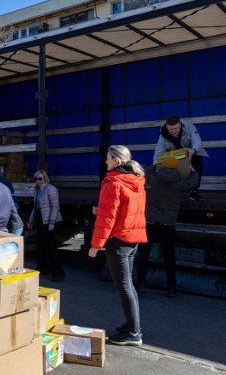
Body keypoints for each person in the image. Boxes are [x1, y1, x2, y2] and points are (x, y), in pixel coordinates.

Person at [88, 145, 147, 346]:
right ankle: (132, 325)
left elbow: (107, 219)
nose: (105, 162)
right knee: (128, 285)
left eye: (107, 158)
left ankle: (133, 333)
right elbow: (125, 211)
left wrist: (95, 245)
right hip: (133, 239)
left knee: (124, 287)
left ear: (115, 161)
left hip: (118, 241)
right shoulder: (136, 181)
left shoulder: (113, 184)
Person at [136, 157, 199, 298]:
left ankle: (140, 284)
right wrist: (193, 171)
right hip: (167, 224)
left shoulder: (152, 179)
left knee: (143, 254)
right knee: (169, 257)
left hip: (149, 223)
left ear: (162, 166)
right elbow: (194, 182)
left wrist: (154, 165)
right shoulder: (179, 183)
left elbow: (141, 172)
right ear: (176, 168)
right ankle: (171, 288)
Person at [153, 116, 208, 201]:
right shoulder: (163, 133)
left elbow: (197, 141)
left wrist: (193, 150)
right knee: (170, 167)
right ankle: (174, 190)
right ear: (167, 128)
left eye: (176, 128)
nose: (174, 131)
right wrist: (156, 165)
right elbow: (159, 151)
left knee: (197, 165)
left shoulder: (190, 127)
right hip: (176, 154)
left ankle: (194, 191)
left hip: (191, 151)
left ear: (180, 125)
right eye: (171, 129)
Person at [27, 170, 64, 281]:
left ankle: (58, 273)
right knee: (41, 246)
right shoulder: (37, 190)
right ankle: (43, 268)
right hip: (40, 220)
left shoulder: (51, 189)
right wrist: (31, 221)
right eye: (36, 179)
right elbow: (35, 207)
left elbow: (55, 207)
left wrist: (51, 222)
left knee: (49, 247)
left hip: (49, 222)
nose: (38, 181)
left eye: (40, 178)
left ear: (45, 178)